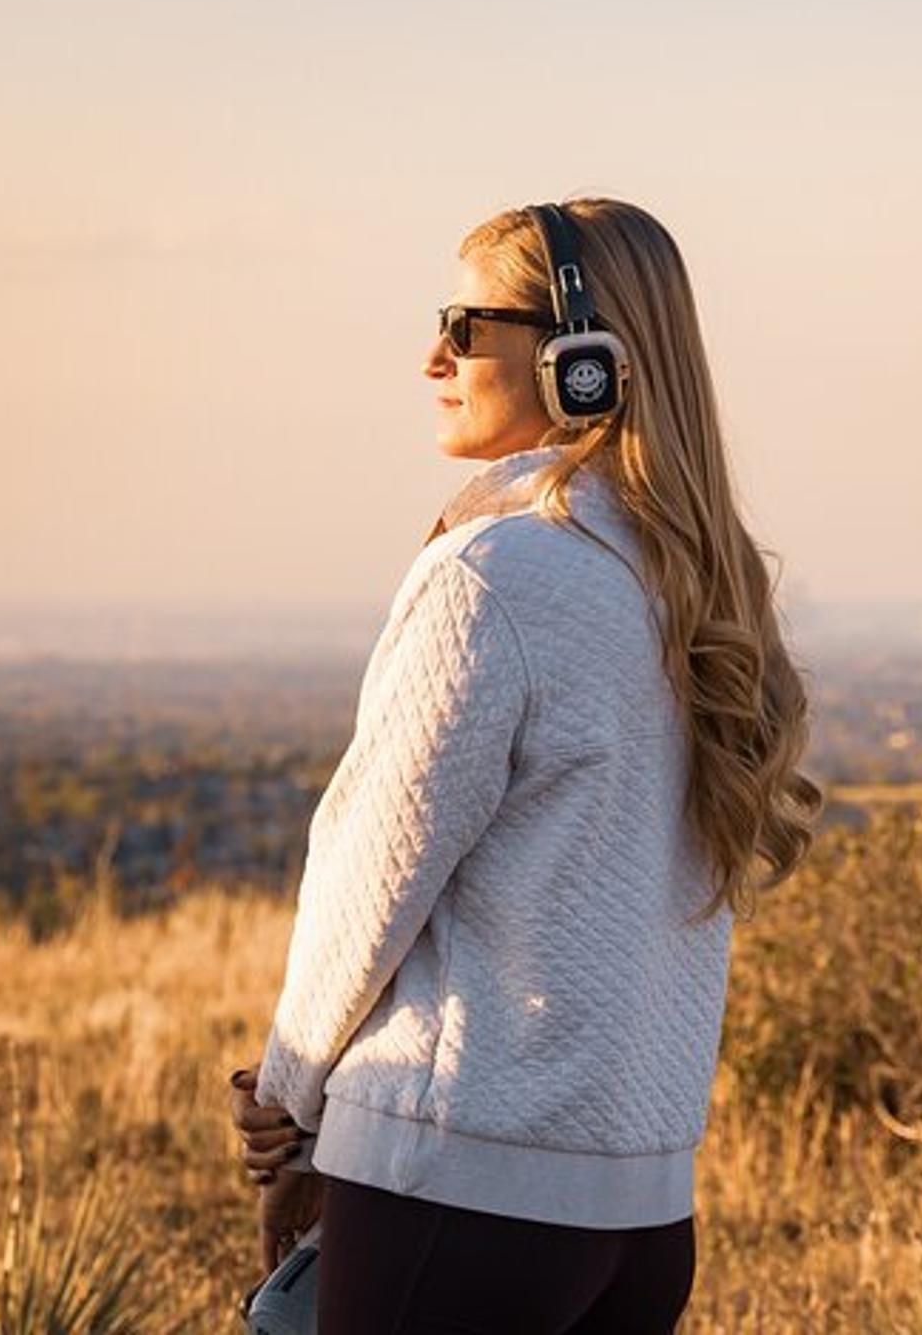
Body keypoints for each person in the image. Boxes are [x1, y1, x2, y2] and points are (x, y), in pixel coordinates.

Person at [225, 198, 819, 1334]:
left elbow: (371, 879)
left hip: (458, 1187)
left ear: (580, 361)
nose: (433, 357)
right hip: (641, 1216)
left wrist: (288, 1104)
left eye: (465, 323)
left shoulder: (492, 577)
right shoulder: (695, 583)